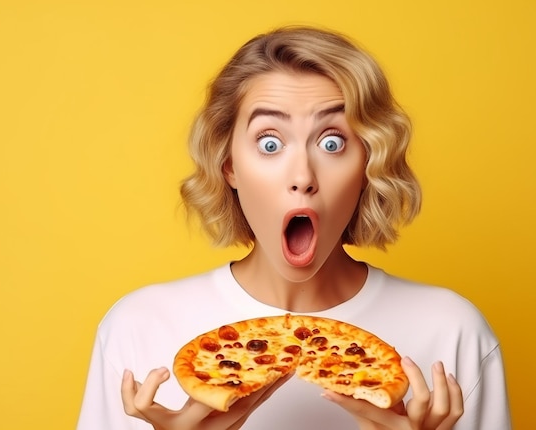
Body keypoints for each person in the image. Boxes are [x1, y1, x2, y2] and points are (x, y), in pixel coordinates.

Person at [77, 26, 511, 430]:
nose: (302, 175)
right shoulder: (138, 327)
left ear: (368, 164)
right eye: (270, 143)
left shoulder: (453, 331)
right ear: (229, 166)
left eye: (332, 142)